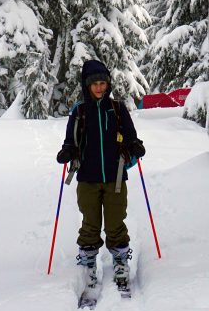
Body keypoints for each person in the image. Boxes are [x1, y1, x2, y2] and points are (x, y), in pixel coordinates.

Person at [56, 59, 145, 290]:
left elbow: (130, 136)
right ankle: (87, 263)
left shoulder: (117, 109)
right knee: (90, 223)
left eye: (102, 83)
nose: (99, 87)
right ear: (87, 85)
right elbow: (70, 140)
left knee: (116, 221)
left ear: (108, 84)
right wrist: (68, 151)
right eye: (94, 83)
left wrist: (134, 146)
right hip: (87, 178)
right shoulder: (80, 111)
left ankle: (120, 260)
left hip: (115, 178)